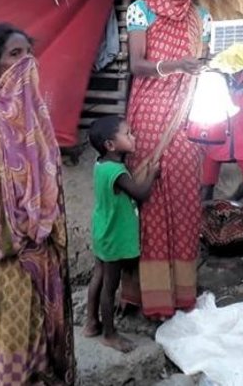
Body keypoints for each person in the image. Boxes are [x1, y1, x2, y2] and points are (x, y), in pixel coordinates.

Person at [0, 23, 76, 386]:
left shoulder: (36, 122)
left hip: (41, 252)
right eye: (15, 55)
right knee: (9, 343)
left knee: (40, 335)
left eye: (28, 53)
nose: (27, 62)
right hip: (2, 255)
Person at [124, 0, 211, 319]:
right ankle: (146, 295)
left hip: (186, 115)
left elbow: (205, 60)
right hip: (149, 114)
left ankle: (180, 292)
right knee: (151, 200)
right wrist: (176, 65)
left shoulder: (201, 16)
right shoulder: (139, 10)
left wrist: (205, 63)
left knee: (184, 198)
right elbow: (137, 65)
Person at [83, 116, 158, 352]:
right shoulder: (118, 172)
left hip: (102, 230)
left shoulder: (101, 164)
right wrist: (153, 175)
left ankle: (91, 323)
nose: (133, 137)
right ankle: (109, 333)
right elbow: (141, 194)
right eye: (128, 134)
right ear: (110, 145)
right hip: (114, 235)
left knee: (98, 277)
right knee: (110, 286)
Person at [199, 67, 243, 203]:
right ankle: (203, 219)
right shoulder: (216, 73)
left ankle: (227, 205)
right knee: (205, 184)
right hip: (216, 139)